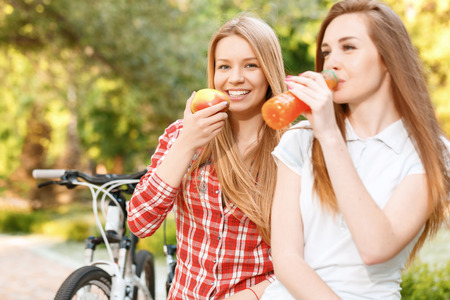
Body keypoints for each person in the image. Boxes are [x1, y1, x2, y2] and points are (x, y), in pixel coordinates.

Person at [261, 0, 449, 299]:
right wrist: (322, 132)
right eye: (326, 52)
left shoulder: (432, 154)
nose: (331, 62)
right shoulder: (299, 140)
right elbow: (286, 260)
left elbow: (376, 247)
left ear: (388, 58)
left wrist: (330, 136)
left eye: (348, 48)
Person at [128, 14, 287, 299]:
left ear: (269, 70)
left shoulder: (291, 147)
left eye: (250, 65)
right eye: (224, 66)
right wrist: (187, 143)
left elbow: (311, 252)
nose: (235, 77)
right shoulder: (182, 135)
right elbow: (141, 222)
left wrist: (253, 294)